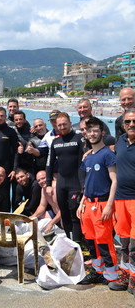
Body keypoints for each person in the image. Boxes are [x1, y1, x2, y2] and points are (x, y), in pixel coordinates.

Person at [76, 117, 118, 285]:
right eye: (89, 131)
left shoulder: (107, 154)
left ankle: (112, 276)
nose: (92, 134)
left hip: (102, 204)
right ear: (85, 134)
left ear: (102, 132)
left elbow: (115, 181)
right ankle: (97, 271)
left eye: (95, 131)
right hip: (87, 204)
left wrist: (109, 205)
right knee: (91, 241)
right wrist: (81, 202)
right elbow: (87, 183)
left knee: (104, 241)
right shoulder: (87, 157)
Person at [46, 112, 84, 244]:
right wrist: (49, 184)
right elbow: (49, 164)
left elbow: (82, 163)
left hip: (76, 183)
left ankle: (78, 244)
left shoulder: (79, 139)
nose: (62, 127)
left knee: (75, 215)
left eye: (64, 124)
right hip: (61, 184)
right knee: (65, 214)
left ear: (70, 123)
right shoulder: (55, 142)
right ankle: (69, 243)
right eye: (59, 125)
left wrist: (83, 184)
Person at [109, 108, 135, 294]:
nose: (132, 125)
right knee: (124, 241)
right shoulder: (120, 142)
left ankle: (134, 279)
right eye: (128, 122)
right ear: (123, 125)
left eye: (134, 121)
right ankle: (125, 274)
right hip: (120, 199)